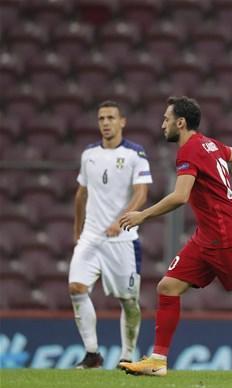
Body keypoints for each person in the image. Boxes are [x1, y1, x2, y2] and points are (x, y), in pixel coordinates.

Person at [117, 97, 232, 379]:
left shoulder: (189, 151)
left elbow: (180, 196)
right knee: (167, 287)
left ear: (180, 123)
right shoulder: (210, 144)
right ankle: (158, 359)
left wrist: (142, 215)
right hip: (207, 236)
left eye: (166, 119)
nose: (162, 124)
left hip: (226, 235)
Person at [68, 100, 152, 369]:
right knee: (76, 287)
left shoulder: (135, 154)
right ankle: (92, 354)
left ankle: (127, 355)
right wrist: (77, 230)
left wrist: (121, 219)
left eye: (111, 118)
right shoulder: (88, 154)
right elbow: (81, 194)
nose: (106, 122)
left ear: (122, 122)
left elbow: (141, 193)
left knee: (129, 301)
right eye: (101, 118)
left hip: (122, 240)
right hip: (92, 236)